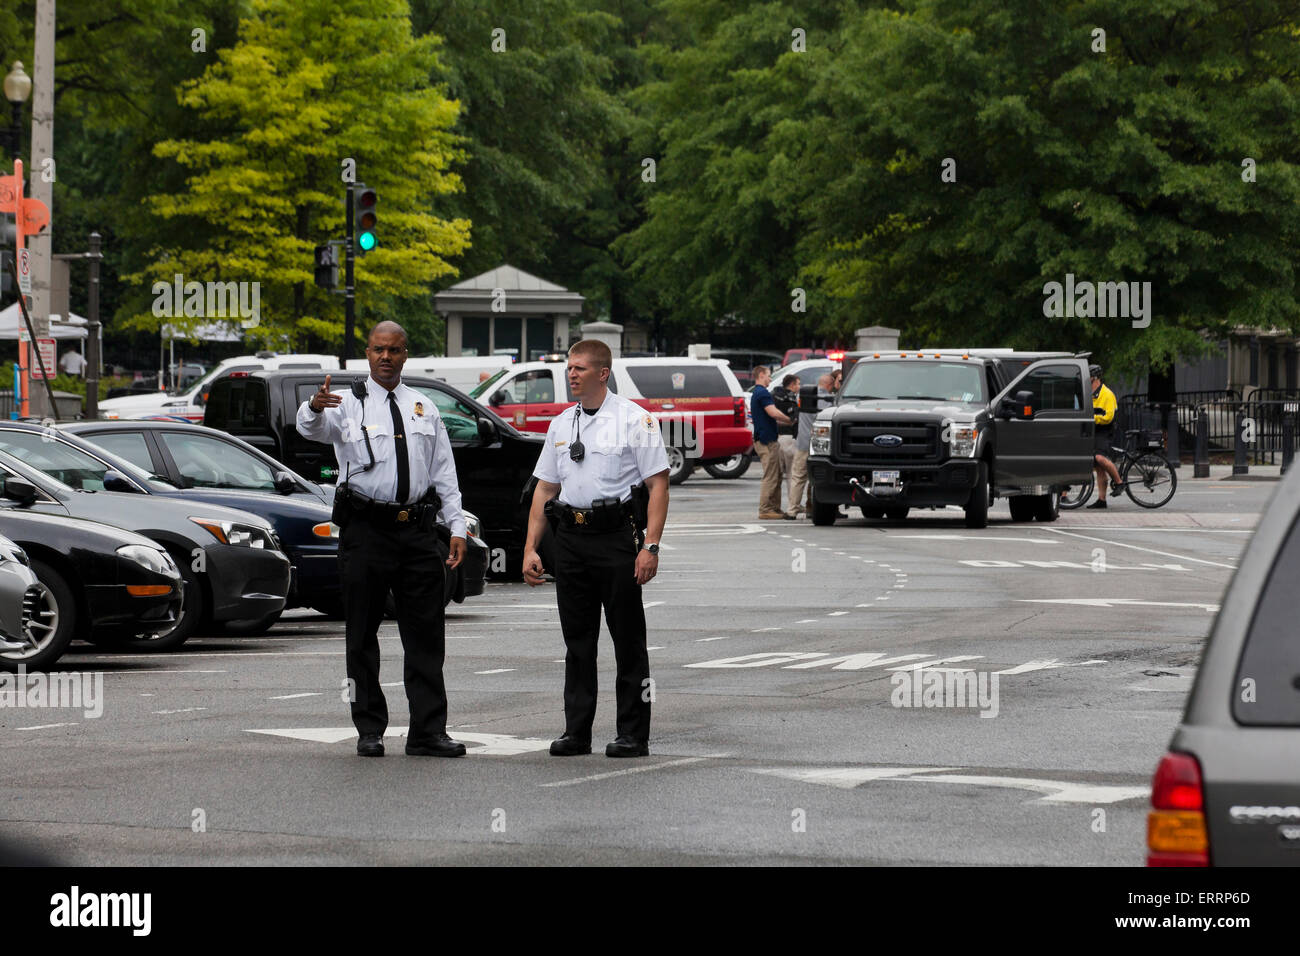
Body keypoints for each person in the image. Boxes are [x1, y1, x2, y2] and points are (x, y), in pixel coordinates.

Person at [296, 321, 468, 758]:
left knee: (426, 635)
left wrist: (458, 527)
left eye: (393, 350)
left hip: (417, 531)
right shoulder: (345, 405)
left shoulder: (424, 407)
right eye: (378, 350)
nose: (385, 357)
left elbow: (444, 473)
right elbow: (310, 429)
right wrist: (314, 407)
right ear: (367, 353)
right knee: (361, 634)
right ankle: (369, 728)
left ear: (405, 354)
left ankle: (428, 731)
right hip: (366, 530)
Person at [522, 339, 669, 758]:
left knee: (628, 640)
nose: (572, 374)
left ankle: (632, 734)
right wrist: (531, 548)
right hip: (570, 539)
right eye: (570, 367)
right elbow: (546, 488)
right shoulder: (561, 424)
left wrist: (652, 546)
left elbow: (658, 483)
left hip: (615, 539)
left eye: (580, 368)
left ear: (602, 373)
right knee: (578, 642)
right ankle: (576, 731)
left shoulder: (634, 420)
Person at [751, 365, 794, 519]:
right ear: (761, 375)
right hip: (766, 440)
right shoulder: (762, 393)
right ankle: (765, 509)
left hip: (767, 438)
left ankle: (774, 508)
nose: (770, 379)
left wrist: (786, 423)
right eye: (769, 375)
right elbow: (773, 412)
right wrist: (790, 420)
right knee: (771, 475)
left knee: (776, 474)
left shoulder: (758, 393)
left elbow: (768, 418)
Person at [790, 373, 834, 517]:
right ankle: (811, 507)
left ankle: (792, 509)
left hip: (802, 442)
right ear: (829, 385)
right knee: (815, 478)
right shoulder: (828, 402)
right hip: (819, 445)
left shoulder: (802, 397)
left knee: (797, 477)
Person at [1087, 363, 1124, 509]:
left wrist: (1092, 418)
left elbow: (1108, 417)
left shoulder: (1107, 394)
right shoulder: (1089, 393)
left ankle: (1119, 482)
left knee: (1100, 458)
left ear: (1094, 378)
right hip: (1094, 430)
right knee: (1099, 467)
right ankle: (1102, 500)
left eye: (1088, 376)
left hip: (1105, 430)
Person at [772, 373, 801, 508]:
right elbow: (793, 418)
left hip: (777, 438)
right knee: (792, 474)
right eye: (798, 384)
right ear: (792, 385)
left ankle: (774, 505)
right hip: (789, 438)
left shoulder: (774, 396)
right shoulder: (790, 399)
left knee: (776, 476)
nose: (799, 387)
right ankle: (793, 504)